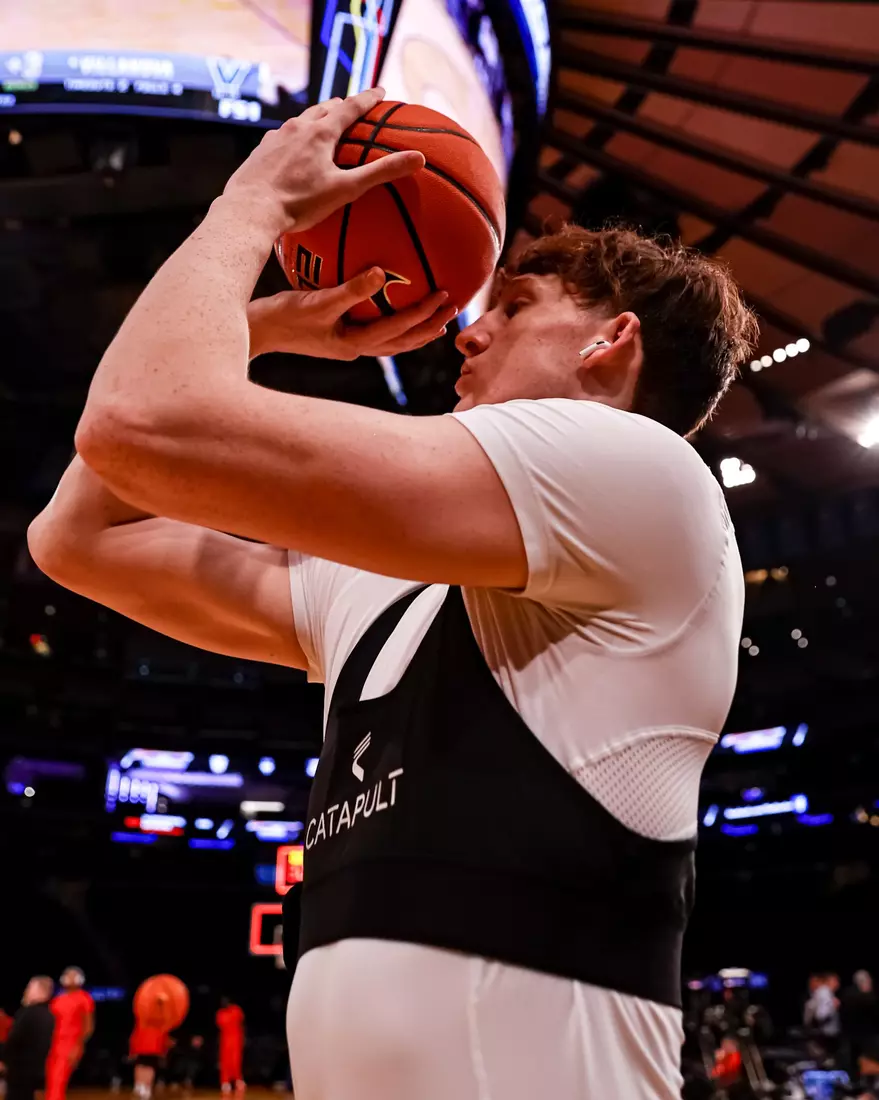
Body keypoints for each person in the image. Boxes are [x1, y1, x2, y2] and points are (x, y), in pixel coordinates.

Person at [27, 87, 755, 1100]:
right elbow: (77, 537)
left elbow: (139, 422)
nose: (466, 329)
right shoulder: (382, 574)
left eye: (513, 306)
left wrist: (251, 208)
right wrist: (261, 328)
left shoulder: (639, 474)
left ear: (611, 343)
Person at [46, 967, 95, 1100]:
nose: (69, 978)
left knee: (59, 1079)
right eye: (67, 975)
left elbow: (89, 1026)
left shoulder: (85, 998)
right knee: (51, 1079)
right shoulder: (57, 999)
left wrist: (78, 1046)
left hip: (70, 1044)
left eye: (73, 976)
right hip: (53, 1043)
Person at [2, 977, 55, 1100]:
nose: (26, 991)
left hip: (19, 1072)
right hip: (36, 1072)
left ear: (41, 992)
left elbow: (13, 1040)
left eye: (30, 988)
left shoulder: (27, 1013)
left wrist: (3, 1059)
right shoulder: (49, 1016)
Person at [128, 1021, 170, 1100]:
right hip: (148, 1043)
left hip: (150, 1043)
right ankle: (142, 1087)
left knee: (146, 1065)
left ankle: (143, 1087)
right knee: (144, 1065)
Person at [215, 1000, 245, 1094]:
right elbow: (220, 1025)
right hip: (226, 1040)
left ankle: (238, 1081)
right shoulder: (220, 1013)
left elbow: (242, 1022)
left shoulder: (236, 1010)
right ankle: (225, 1082)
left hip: (236, 1039)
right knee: (225, 1061)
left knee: (236, 1060)